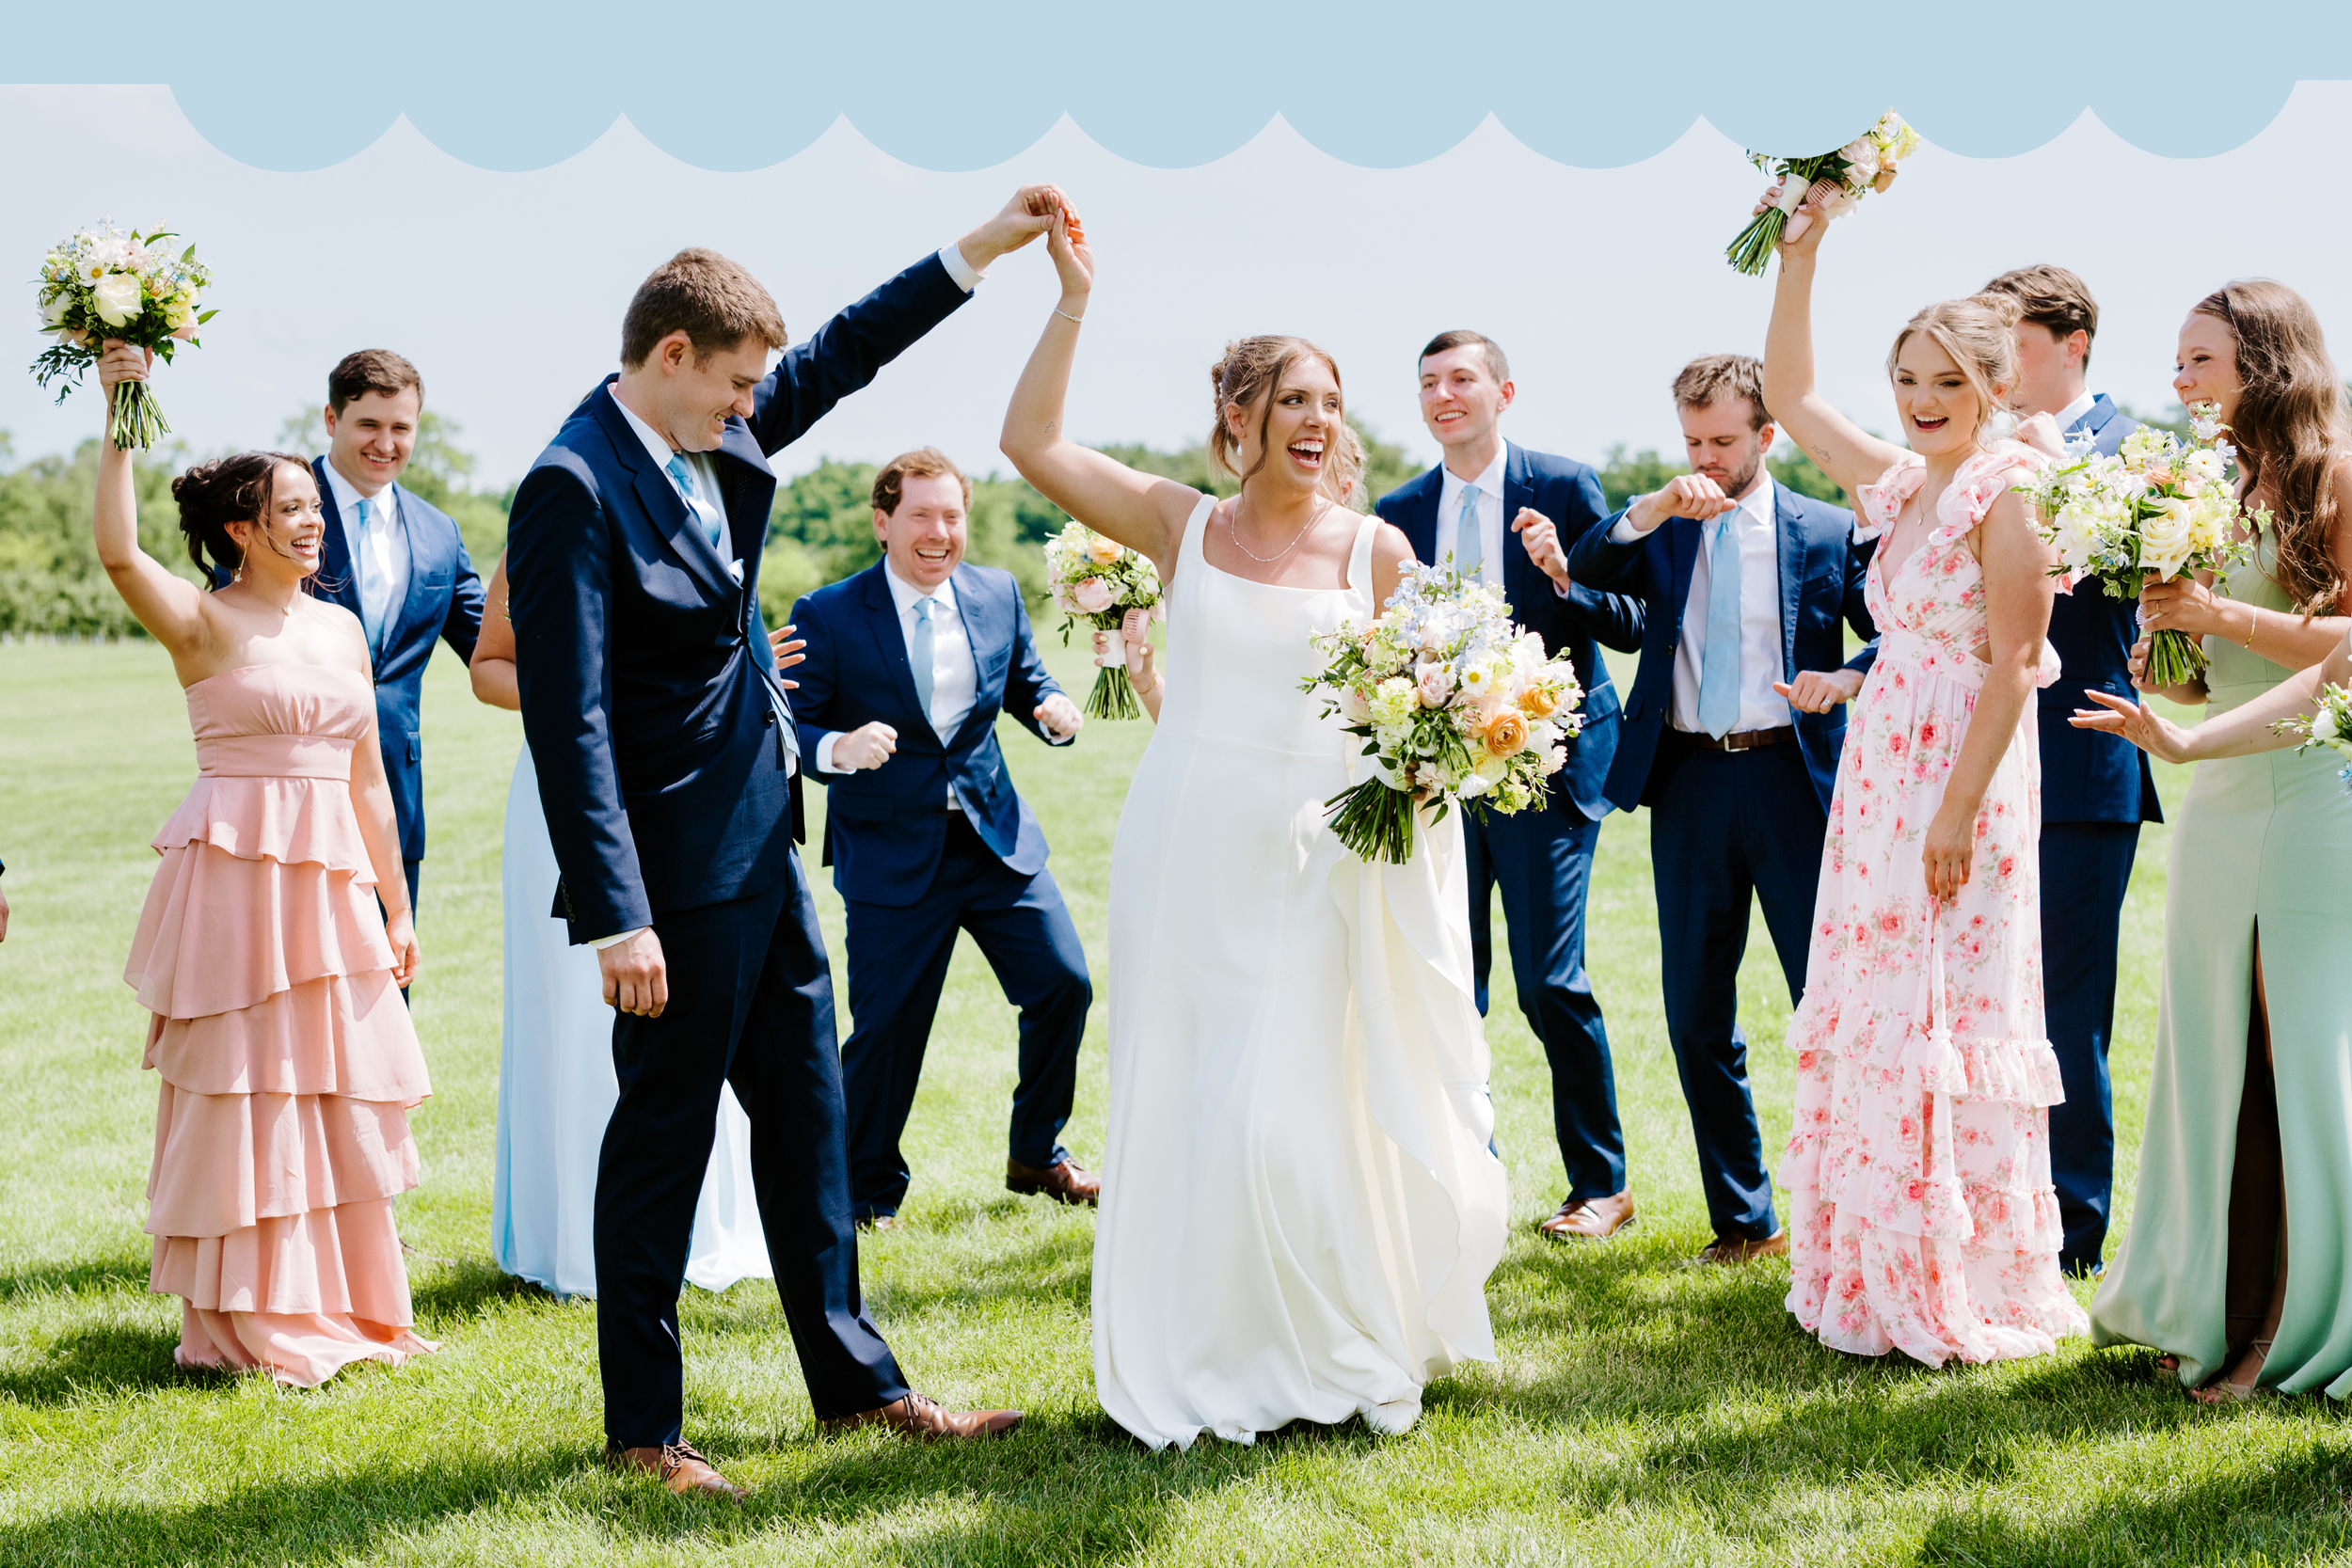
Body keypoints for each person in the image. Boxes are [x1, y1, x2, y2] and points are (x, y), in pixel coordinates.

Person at [508, 188, 1059, 1498]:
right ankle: (645, 1431)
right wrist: (616, 909)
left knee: (811, 1121)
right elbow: (565, 713)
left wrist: (974, 253)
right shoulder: (570, 485)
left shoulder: (725, 432)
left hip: (770, 850)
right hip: (671, 879)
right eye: (737, 383)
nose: (757, 404)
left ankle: (860, 1388)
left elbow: (842, 351)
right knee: (663, 1139)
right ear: (671, 355)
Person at [1001, 201, 1508, 1449]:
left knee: (1287, 1101)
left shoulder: (1376, 551)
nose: (1317, 422)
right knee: (1190, 1090)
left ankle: (1318, 1339)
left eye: (1329, 401)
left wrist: (1432, 772)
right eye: (1292, 400)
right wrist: (1071, 297)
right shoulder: (1183, 526)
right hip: (1186, 843)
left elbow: (1438, 708)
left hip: (1314, 855)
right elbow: (1029, 439)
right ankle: (1196, 1341)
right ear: (1239, 419)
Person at [1757, 186, 2086, 1365]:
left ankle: (1961, 1267)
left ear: (1994, 386)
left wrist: (1953, 811)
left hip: (1964, 780)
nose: (1921, 401)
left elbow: (2012, 664)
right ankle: (1870, 1253)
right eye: (1907, 378)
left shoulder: (2008, 492)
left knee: (1946, 1002)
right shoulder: (1902, 486)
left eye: (1946, 381)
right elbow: (1791, 397)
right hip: (1877, 777)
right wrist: (1804, 248)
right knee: (1879, 998)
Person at [91, 341, 437, 1385]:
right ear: (240, 527)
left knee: (330, 1085)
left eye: (312, 505)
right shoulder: (200, 620)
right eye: (289, 505)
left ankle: (343, 1300)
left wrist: (398, 902)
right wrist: (121, 409)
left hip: (330, 885)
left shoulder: (340, 628)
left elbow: (367, 776)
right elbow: (116, 552)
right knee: (246, 1086)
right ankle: (244, 1315)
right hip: (236, 882)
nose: (311, 517)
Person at [2077, 280, 2352, 1402]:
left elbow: (2343, 647)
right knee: (2211, 1058)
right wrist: (2168, 661)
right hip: (2219, 800)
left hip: (2311, 794)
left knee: (2301, 1062)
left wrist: (2220, 619)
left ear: (2264, 365)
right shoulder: (2205, 487)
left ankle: (2296, 1320)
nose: (2178, 381)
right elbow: (2208, 669)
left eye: (2198, 360)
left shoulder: (2333, 477)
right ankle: (2213, 1301)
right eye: (2177, 361)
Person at [1565, 354, 1876, 1265]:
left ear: (1766, 435)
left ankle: (1848, 1210)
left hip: (1796, 782)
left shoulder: (1823, 529)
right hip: (1689, 781)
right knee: (1697, 1009)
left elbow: (1893, 624)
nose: (1704, 455)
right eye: (1692, 438)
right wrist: (1652, 506)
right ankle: (1745, 1218)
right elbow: (1588, 568)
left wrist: (1849, 675)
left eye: (1722, 440)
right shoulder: (1662, 522)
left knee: (1827, 1002)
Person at [1375, 332, 1645, 1243]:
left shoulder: (1564, 487)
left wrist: (1562, 573)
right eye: (1428, 384)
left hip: (1547, 768)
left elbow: (1624, 618)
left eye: (1461, 379)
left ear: (1503, 391)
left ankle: (1600, 1184)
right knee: (1451, 984)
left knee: (1547, 980)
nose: (1443, 395)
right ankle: (1465, 1180)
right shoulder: (1397, 510)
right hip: (1441, 781)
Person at [791, 448, 1092, 1230]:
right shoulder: (826, 612)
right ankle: (864, 1191)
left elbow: (1025, 680)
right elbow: (794, 720)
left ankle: (1038, 1153)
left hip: (997, 844)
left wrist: (1053, 707)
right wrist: (838, 748)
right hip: (891, 858)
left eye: (952, 515)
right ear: (884, 521)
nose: (939, 531)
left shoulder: (995, 591)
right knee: (887, 1030)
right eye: (921, 515)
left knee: (1065, 984)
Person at [470, 554, 775, 1299]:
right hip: (571, 792)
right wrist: (582, 698)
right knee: (579, 1011)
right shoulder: (543, 533)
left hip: (691, 787)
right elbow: (488, 667)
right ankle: (576, 1235)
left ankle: (706, 1226)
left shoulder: (709, 526)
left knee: (697, 991)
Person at [1978, 265, 2161, 1276]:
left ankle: (2074, 1229)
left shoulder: (2135, 452)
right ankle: (1994, 1205)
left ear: (2073, 341)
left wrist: (2048, 473)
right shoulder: (1970, 448)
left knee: (2066, 1007)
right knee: (1984, 1003)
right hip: (1978, 761)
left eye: (2016, 340)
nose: (1998, 362)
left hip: (2084, 755)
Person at [305, 351, 485, 926]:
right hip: (294, 789)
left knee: (387, 987)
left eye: (401, 428)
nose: (386, 443)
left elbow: (493, 644)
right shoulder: (274, 507)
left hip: (394, 795)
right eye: (369, 425)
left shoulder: (439, 531)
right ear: (332, 421)